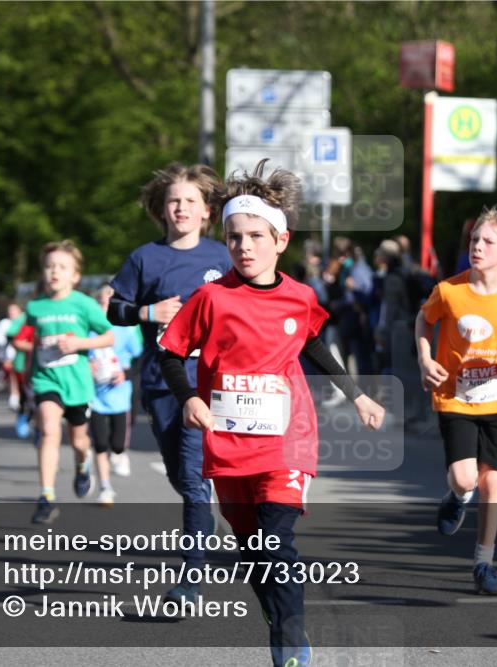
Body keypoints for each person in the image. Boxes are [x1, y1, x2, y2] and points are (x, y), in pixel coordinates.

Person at [159, 160, 385, 667]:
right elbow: (170, 354)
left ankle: (289, 640)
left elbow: (316, 346)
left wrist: (358, 396)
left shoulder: (300, 297)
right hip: (228, 444)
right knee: (253, 553)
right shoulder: (211, 298)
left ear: (279, 240)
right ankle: (278, 620)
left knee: (276, 541)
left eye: (255, 236)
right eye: (235, 236)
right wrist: (190, 398)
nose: (243, 246)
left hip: (287, 440)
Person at [107, 162, 232, 600]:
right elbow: (114, 309)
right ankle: (203, 509)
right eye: (173, 201)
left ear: (206, 212)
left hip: (211, 382)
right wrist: (147, 313)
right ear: (162, 210)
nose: (181, 208)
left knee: (195, 477)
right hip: (162, 381)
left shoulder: (222, 256)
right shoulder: (145, 258)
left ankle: (191, 578)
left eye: (190, 202)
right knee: (181, 476)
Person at [415, 205, 497, 596]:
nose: (477, 246)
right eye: (475, 238)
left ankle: (484, 562)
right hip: (456, 395)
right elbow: (423, 320)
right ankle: (457, 496)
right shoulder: (449, 291)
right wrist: (425, 359)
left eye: (488, 241)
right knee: (465, 477)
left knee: (493, 481)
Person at [26, 240, 114, 524]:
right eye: (49, 266)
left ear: (75, 275)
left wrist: (79, 343)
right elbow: (25, 339)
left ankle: (82, 465)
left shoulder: (84, 304)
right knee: (50, 430)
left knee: (78, 441)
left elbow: (109, 336)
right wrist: (27, 347)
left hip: (77, 384)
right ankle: (46, 497)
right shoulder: (35, 307)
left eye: (62, 267)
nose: (54, 271)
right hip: (46, 379)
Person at [88, 285, 142, 506]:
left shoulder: (126, 330)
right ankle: (105, 487)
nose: (106, 306)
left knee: (117, 445)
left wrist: (124, 373)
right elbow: (78, 356)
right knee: (100, 443)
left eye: (110, 302)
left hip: (120, 396)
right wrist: (87, 367)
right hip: (95, 396)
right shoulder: (89, 331)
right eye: (101, 302)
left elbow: (140, 359)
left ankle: (119, 454)